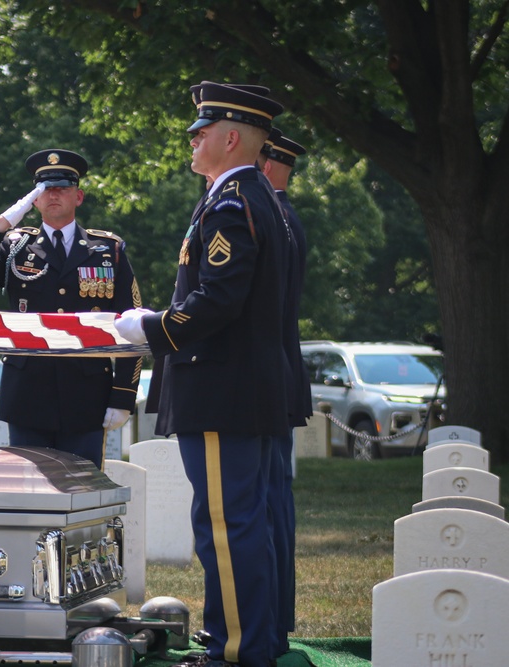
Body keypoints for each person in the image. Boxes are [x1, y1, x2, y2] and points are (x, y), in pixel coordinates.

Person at [115, 81, 289, 667]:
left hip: (223, 389)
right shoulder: (253, 198)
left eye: (202, 131)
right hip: (240, 388)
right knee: (244, 522)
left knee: (227, 527)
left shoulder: (233, 202)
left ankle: (236, 653)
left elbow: (218, 300)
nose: (191, 139)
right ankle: (250, 644)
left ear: (232, 137)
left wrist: (152, 328)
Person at [0, 149, 142, 469]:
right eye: (44, 189)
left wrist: (122, 395)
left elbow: (131, 324)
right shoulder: (15, 245)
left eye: (62, 187)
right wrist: (4, 221)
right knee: (30, 495)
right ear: (34, 200)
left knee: (84, 493)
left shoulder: (108, 251)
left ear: (78, 196)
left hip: (87, 394)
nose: (54, 194)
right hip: (27, 394)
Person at [259, 129, 311, 658]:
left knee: (267, 507)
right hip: (278, 377)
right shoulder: (283, 217)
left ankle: (270, 626)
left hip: (263, 380)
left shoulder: (271, 217)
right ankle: (274, 621)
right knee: (273, 507)